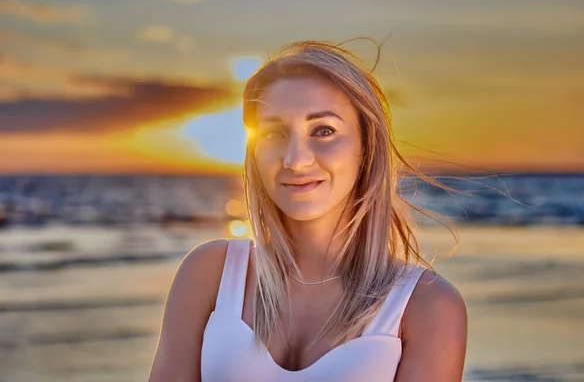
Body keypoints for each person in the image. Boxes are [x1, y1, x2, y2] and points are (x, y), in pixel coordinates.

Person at [149, 40, 468, 381]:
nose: (295, 160)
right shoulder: (209, 274)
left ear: (366, 147)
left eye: (323, 131)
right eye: (274, 133)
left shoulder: (427, 306)